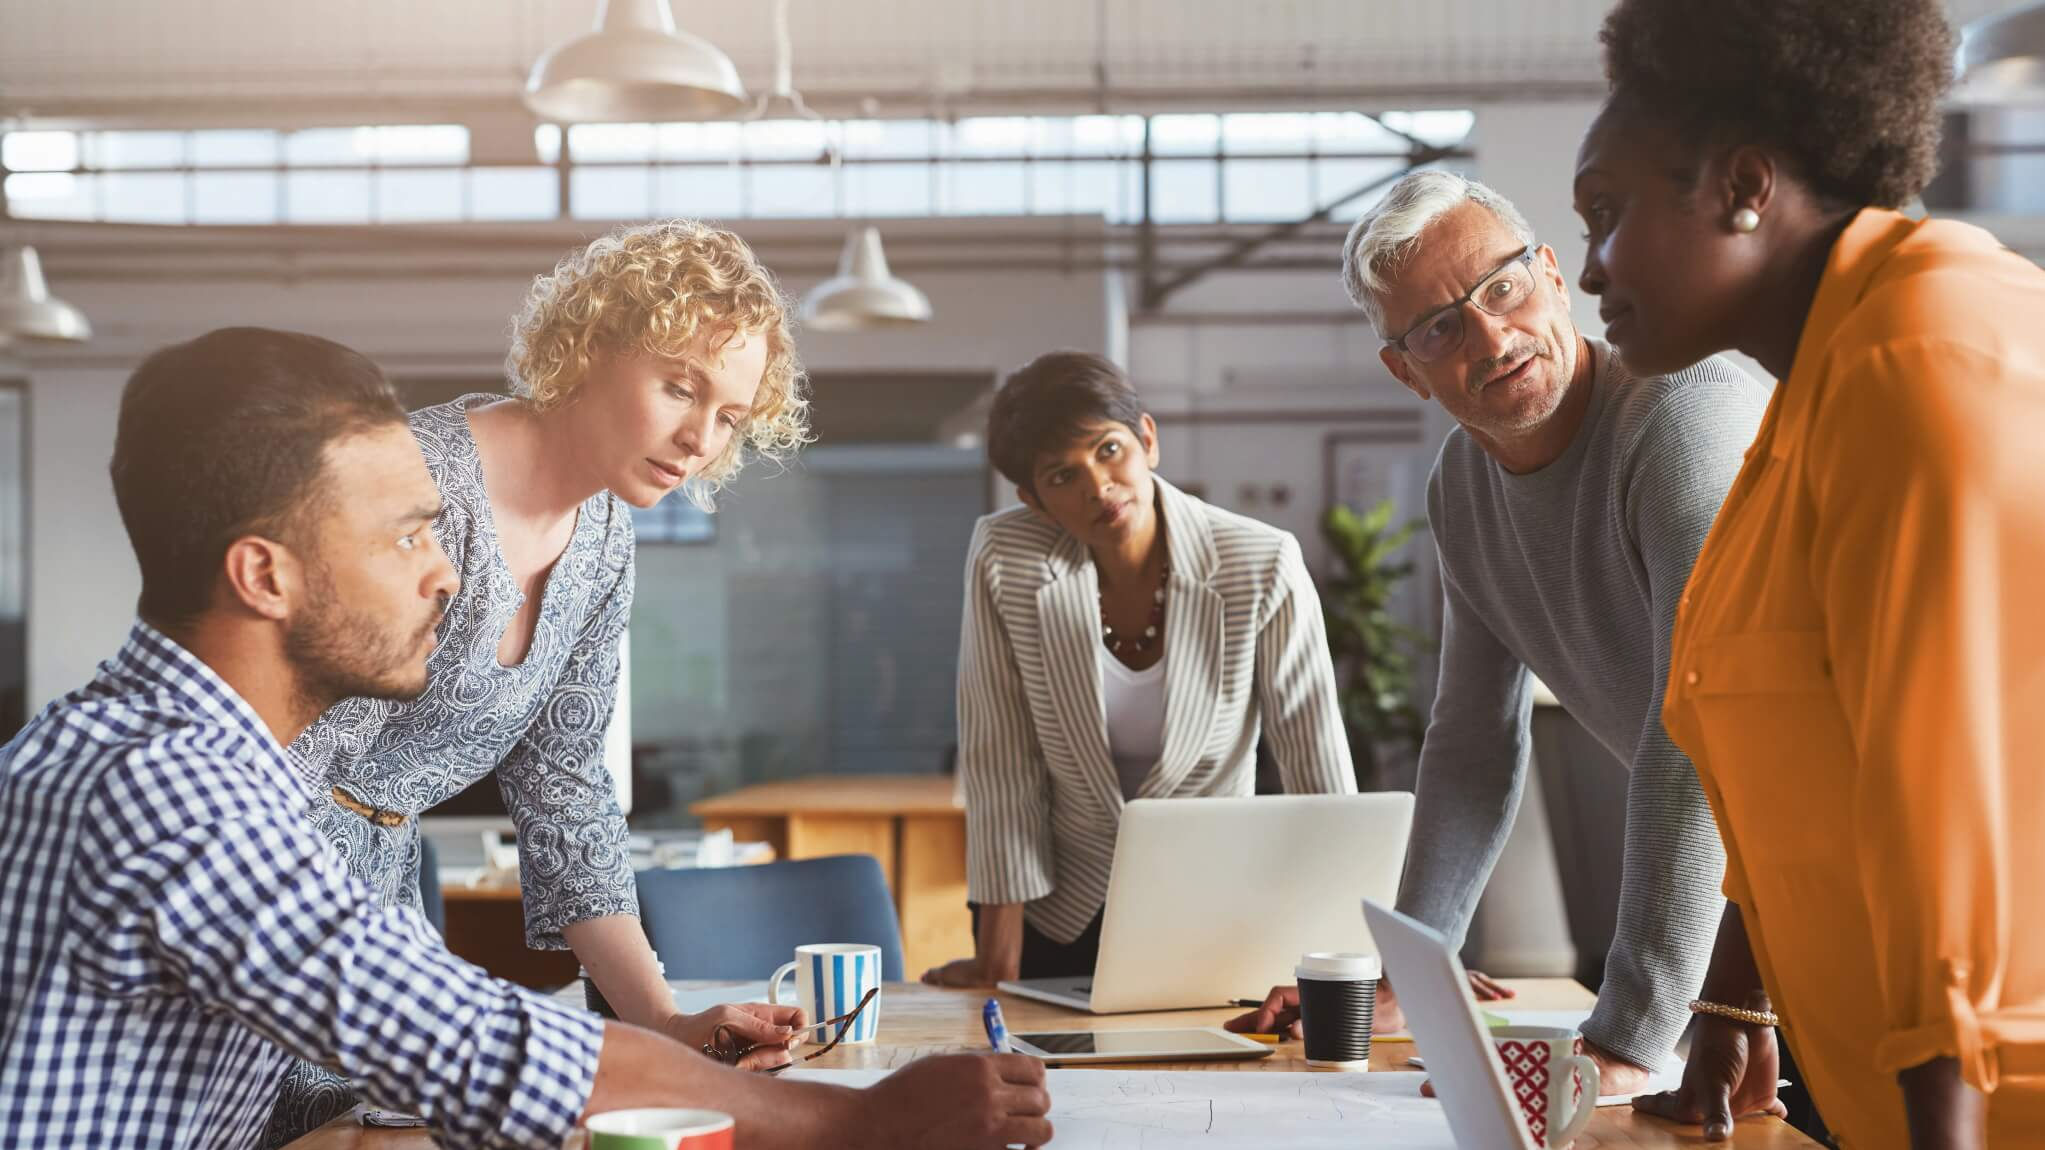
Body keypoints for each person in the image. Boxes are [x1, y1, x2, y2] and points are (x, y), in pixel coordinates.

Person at [0, 327, 1053, 1150]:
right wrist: (864, 1124)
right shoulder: (168, 788)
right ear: (263, 575)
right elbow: (480, 1051)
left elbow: (463, 1027)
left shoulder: (191, 762)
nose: (449, 570)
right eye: (407, 534)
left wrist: (665, 1048)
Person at [1576, 2, 2045, 1146]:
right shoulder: (1815, 391)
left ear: (1743, 183)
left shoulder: (1918, 358)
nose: (1592, 267)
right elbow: (1798, 742)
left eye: (1607, 213)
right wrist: (1735, 992)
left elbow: (1945, 810)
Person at [1226, 169, 1766, 1095]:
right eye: (1439, 327)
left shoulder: (1683, 417)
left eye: (1502, 287)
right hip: (1777, 892)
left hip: (1912, 865)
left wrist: (1627, 1039)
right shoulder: (1463, 485)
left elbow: (1700, 729)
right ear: (1406, 369)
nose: (1491, 336)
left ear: (1553, 276)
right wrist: (1414, 973)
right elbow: (1473, 741)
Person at [272, 219, 814, 1137]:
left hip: (385, 907)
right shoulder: (418, 480)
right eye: (678, 387)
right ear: (589, 345)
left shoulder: (605, 536)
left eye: (727, 416)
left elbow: (563, 787)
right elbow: (280, 746)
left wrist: (666, 1023)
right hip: (270, 896)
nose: (698, 439)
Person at [922, 351, 1356, 989]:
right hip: (1058, 908)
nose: (1098, 487)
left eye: (1108, 450)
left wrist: (1349, 964)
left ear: (1147, 440)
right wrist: (997, 960)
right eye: (1062, 477)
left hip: (1214, 911)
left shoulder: (1262, 563)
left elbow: (1319, 780)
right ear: (1034, 501)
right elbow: (1000, 764)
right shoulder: (1006, 557)